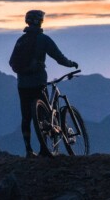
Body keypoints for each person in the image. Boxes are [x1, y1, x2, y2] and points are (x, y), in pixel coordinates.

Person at [10, 9, 79, 157]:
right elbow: (59, 57)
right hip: (38, 82)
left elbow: (11, 62)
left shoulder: (20, 41)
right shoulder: (44, 39)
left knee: (26, 117)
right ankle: (44, 149)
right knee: (44, 116)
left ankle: (28, 149)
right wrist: (72, 64)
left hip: (22, 84)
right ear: (40, 21)